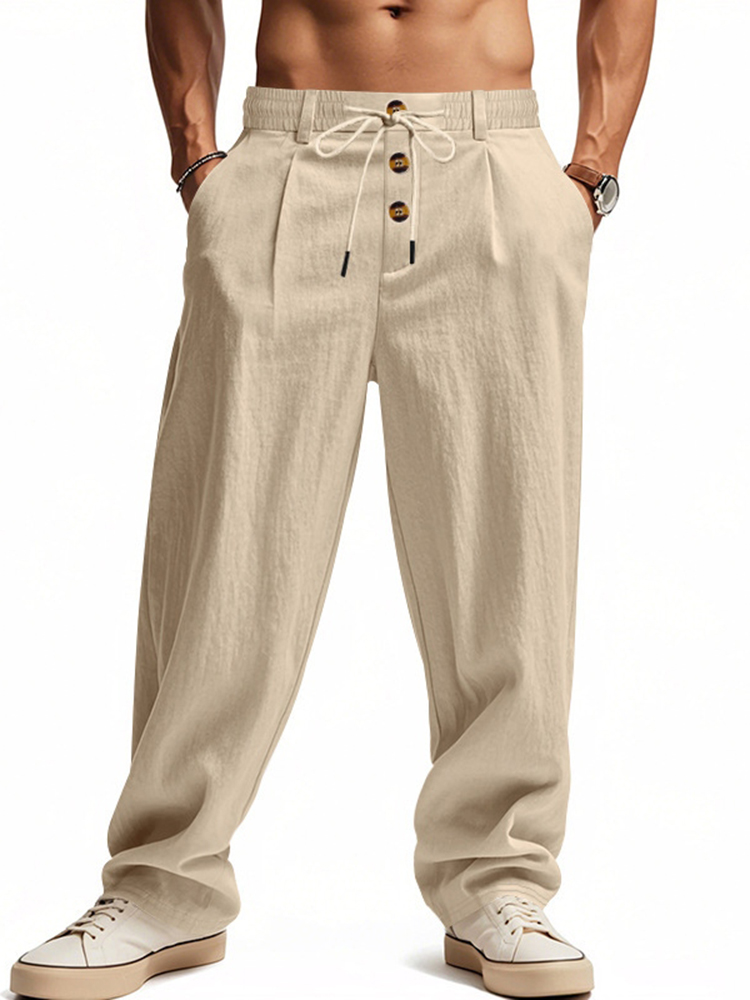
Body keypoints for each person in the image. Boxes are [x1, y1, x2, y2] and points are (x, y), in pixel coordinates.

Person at [9, 1, 657, 997]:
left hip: (492, 167)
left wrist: (589, 174)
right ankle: (164, 882)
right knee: (225, 554)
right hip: (289, 161)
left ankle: (499, 878)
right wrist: (198, 163)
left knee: (508, 555)